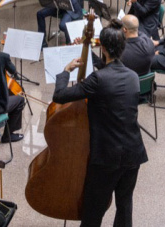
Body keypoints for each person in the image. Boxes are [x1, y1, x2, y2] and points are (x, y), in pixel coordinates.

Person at [52, 24, 148, 227]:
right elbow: (110, 74)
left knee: (94, 208)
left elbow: (59, 96)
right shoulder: (133, 77)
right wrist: (88, 54)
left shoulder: (98, 79)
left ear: (102, 48)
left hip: (107, 156)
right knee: (124, 204)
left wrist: (65, 71)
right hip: (134, 152)